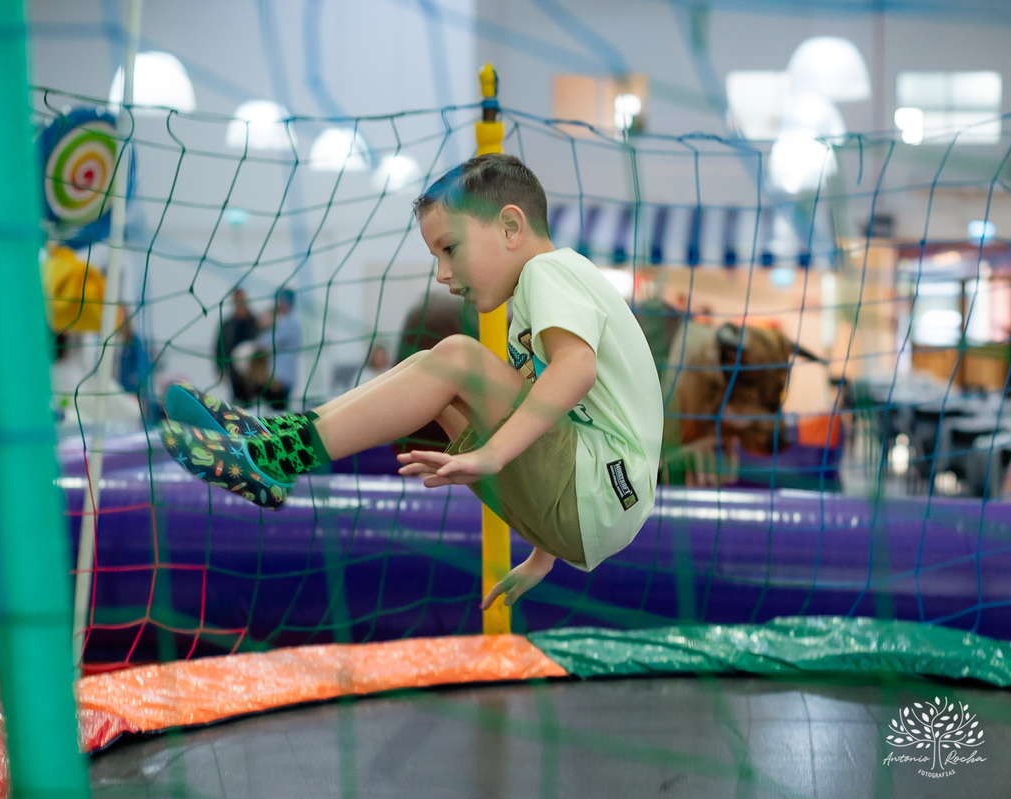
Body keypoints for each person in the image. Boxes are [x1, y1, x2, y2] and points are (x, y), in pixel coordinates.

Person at [162, 153, 663, 609]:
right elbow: (553, 417)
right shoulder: (529, 305)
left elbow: (575, 369)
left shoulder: (551, 272)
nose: (443, 273)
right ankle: (275, 440)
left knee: (457, 359)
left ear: (511, 226)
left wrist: (492, 454)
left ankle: (279, 453)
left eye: (450, 249)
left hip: (602, 487)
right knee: (436, 374)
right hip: (593, 509)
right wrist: (544, 552)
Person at [213, 288, 258, 404]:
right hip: (233, 371)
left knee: (254, 400)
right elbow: (219, 347)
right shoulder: (227, 324)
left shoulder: (256, 321)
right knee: (236, 401)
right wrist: (219, 369)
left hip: (253, 373)